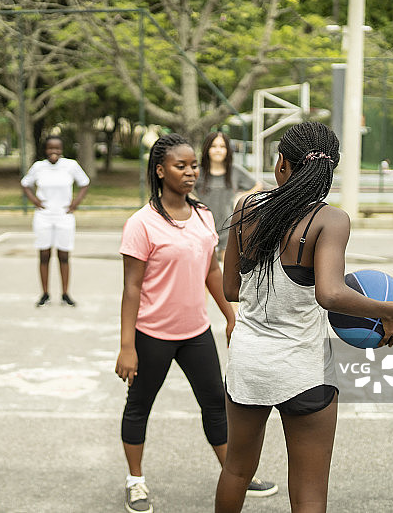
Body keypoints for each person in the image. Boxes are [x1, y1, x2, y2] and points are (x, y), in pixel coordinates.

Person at [215, 122, 393, 513]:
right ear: (328, 171)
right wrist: (386, 309)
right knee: (309, 492)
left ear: (282, 164)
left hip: (249, 362)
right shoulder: (330, 220)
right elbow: (330, 293)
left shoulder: (246, 207)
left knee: (236, 471)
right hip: (302, 369)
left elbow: (231, 290)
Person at [115, 133, 277, 513]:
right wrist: (126, 345)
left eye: (193, 166)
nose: (190, 173)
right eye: (180, 166)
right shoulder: (141, 224)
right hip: (152, 334)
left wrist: (229, 314)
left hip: (195, 333)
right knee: (139, 406)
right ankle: (136, 482)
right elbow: (131, 287)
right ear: (160, 170)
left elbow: (212, 270)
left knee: (217, 406)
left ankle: (235, 474)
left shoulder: (204, 215)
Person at [21, 135, 90, 307]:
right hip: (43, 216)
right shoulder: (39, 167)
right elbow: (25, 184)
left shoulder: (70, 165)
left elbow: (85, 183)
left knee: (64, 255)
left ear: (62, 150)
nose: (54, 152)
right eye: (51, 148)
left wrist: (76, 203)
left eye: (57, 148)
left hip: (64, 216)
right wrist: (34, 201)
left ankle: (65, 294)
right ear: (45, 150)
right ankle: (45, 294)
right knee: (44, 255)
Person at [196, 131, 262, 258]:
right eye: (214, 146)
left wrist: (240, 198)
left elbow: (258, 186)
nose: (218, 150)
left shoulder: (235, 171)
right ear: (207, 148)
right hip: (203, 229)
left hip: (228, 229)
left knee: (226, 269)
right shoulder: (198, 172)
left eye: (222, 146)